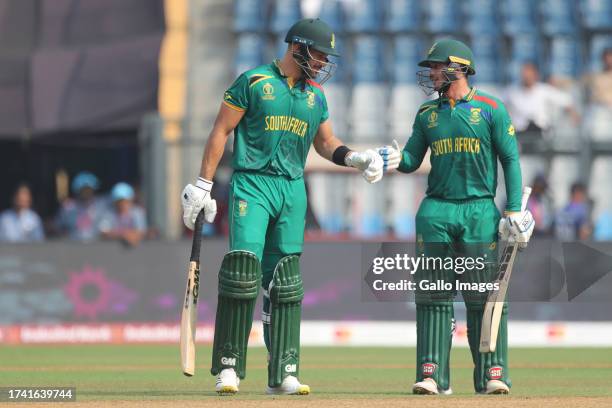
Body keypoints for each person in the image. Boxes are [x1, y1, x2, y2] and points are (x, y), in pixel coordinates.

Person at [180, 18, 384, 395]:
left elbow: (325, 144)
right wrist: (203, 184)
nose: (323, 63)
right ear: (298, 47)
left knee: (286, 282)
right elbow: (221, 130)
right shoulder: (254, 81)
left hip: (292, 189)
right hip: (252, 183)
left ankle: (284, 370)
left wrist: (354, 157)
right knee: (243, 271)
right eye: (319, 55)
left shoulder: (315, 97)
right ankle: (229, 367)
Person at [380, 39, 535, 395]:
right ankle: (432, 374)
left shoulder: (491, 108)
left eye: (437, 66)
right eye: (431, 67)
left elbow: (510, 159)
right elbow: (411, 160)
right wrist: (388, 159)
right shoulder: (426, 113)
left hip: (479, 208)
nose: (431, 72)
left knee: (484, 294)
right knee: (433, 294)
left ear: (459, 67)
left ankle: (493, 373)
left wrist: (514, 209)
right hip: (436, 209)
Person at [504, 62, 580, 141]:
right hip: (519, 132)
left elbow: (566, 100)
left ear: (535, 74)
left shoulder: (544, 90)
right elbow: (499, 105)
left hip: (541, 132)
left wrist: (573, 113)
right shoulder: (512, 91)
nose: (526, 76)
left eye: (529, 73)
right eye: (524, 73)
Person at [56, 171, 106, 240]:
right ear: (77, 190)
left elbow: (105, 231)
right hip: (72, 247)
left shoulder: (101, 207)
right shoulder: (67, 208)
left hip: (97, 247)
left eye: (89, 189)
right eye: (83, 189)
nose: (86, 192)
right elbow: (59, 228)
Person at [98, 182, 147, 247]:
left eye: (125, 201)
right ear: (114, 202)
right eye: (119, 201)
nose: (122, 204)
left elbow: (142, 232)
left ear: (131, 200)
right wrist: (123, 235)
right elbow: (103, 233)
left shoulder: (138, 212)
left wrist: (131, 235)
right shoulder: (108, 214)